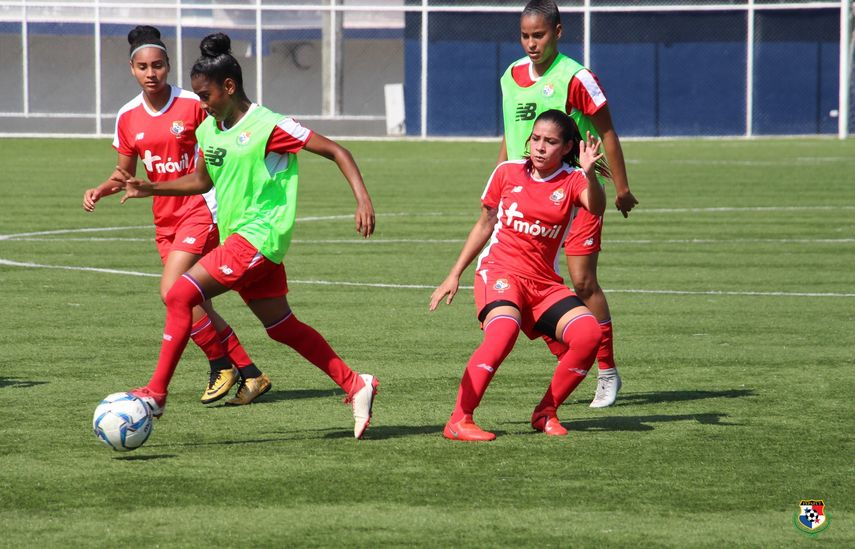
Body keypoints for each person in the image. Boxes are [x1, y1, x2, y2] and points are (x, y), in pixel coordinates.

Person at [117, 32, 379, 439]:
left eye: (206, 96)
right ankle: (356, 383)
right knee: (282, 327)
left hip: (260, 237)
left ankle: (157, 394)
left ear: (229, 87)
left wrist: (362, 200)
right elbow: (202, 182)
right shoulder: (209, 129)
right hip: (238, 239)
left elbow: (337, 151)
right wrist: (151, 188)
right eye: (198, 97)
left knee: (180, 294)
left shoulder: (269, 125)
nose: (202, 104)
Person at [83, 25, 269, 407]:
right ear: (132, 69)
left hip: (201, 208)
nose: (151, 73)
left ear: (168, 65)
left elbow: (223, 141)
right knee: (193, 300)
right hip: (164, 217)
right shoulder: (127, 116)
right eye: (143, 67)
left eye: (158, 65)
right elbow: (125, 173)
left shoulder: (192, 104)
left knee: (172, 291)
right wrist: (102, 188)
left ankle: (220, 365)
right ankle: (251, 373)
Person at [430, 109, 606, 441]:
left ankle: (545, 412)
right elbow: (485, 224)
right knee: (503, 331)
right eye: (536, 138)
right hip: (500, 272)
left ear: (568, 147)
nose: (540, 147)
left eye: (550, 142)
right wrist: (454, 274)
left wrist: (591, 175)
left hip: (544, 284)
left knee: (588, 334)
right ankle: (459, 420)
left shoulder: (574, 180)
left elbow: (595, 207)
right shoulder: (507, 172)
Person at [498, 0, 639, 408]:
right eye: (525, 36)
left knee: (582, 282)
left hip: (575, 192)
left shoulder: (577, 78)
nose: (531, 43)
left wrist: (622, 188)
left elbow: (607, 131)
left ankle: (607, 372)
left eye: (539, 35)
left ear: (558, 32)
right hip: (527, 197)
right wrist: (501, 179)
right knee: (522, 284)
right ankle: (573, 353)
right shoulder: (510, 76)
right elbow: (511, 133)